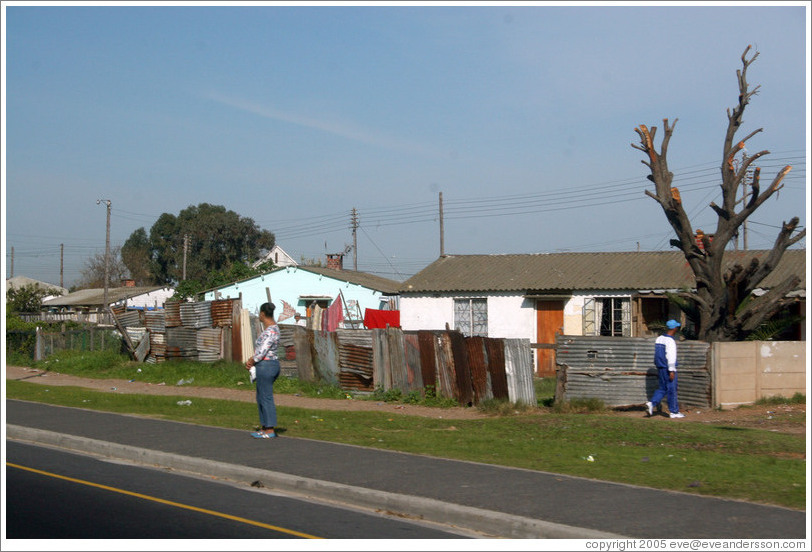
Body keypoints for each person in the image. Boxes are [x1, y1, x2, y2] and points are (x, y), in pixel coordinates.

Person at [245, 302, 281, 438]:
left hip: (267, 365)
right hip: (264, 364)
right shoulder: (271, 330)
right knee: (260, 396)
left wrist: (251, 360)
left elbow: (262, 351)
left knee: (266, 397)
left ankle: (270, 429)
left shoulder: (271, 331)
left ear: (262, 314)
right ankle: (264, 426)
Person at [646, 319, 685, 419]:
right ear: (674, 328)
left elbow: (657, 354)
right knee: (672, 390)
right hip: (668, 368)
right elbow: (671, 356)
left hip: (660, 367)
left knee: (663, 388)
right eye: (677, 327)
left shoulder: (659, 338)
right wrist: (671, 370)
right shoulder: (670, 341)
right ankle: (674, 412)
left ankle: (652, 403)